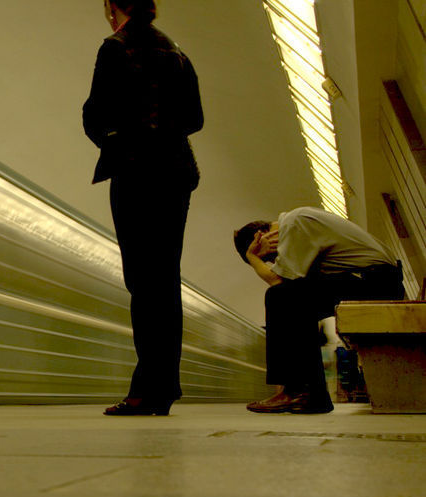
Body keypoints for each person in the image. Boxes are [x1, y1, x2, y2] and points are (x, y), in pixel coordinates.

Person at [83, 0, 204, 415]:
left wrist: (119, 138)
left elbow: (95, 114)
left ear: (111, 7)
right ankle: (163, 386)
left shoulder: (114, 48)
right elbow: (196, 118)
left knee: (143, 281)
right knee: (166, 279)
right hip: (176, 171)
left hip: (136, 173)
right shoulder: (177, 51)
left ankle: (147, 390)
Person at [234, 206, 405, 414]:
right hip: (373, 279)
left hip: (374, 281)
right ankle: (310, 394)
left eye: (267, 258)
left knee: (280, 296)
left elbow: (278, 282)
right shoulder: (299, 225)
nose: (272, 262)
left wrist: (254, 259)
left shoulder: (295, 223)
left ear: (260, 238)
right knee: (295, 302)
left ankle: (297, 391)